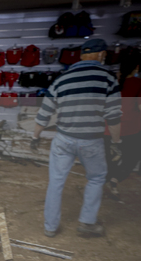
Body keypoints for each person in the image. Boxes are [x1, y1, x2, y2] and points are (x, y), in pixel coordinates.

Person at [31, 38, 122, 237]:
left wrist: (35, 136)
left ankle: (50, 227)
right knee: (97, 178)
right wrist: (117, 142)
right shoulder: (107, 78)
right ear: (101, 55)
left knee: (56, 181)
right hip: (92, 140)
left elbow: (44, 112)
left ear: (81, 55)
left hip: (63, 139)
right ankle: (87, 223)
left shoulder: (63, 78)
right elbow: (114, 116)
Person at [104, 54, 141, 199]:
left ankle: (109, 180)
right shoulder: (138, 83)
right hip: (130, 130)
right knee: (132, 157)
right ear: (137, 67)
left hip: (108, 129)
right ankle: (115, 180)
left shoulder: (110, 82)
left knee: (110, 158)